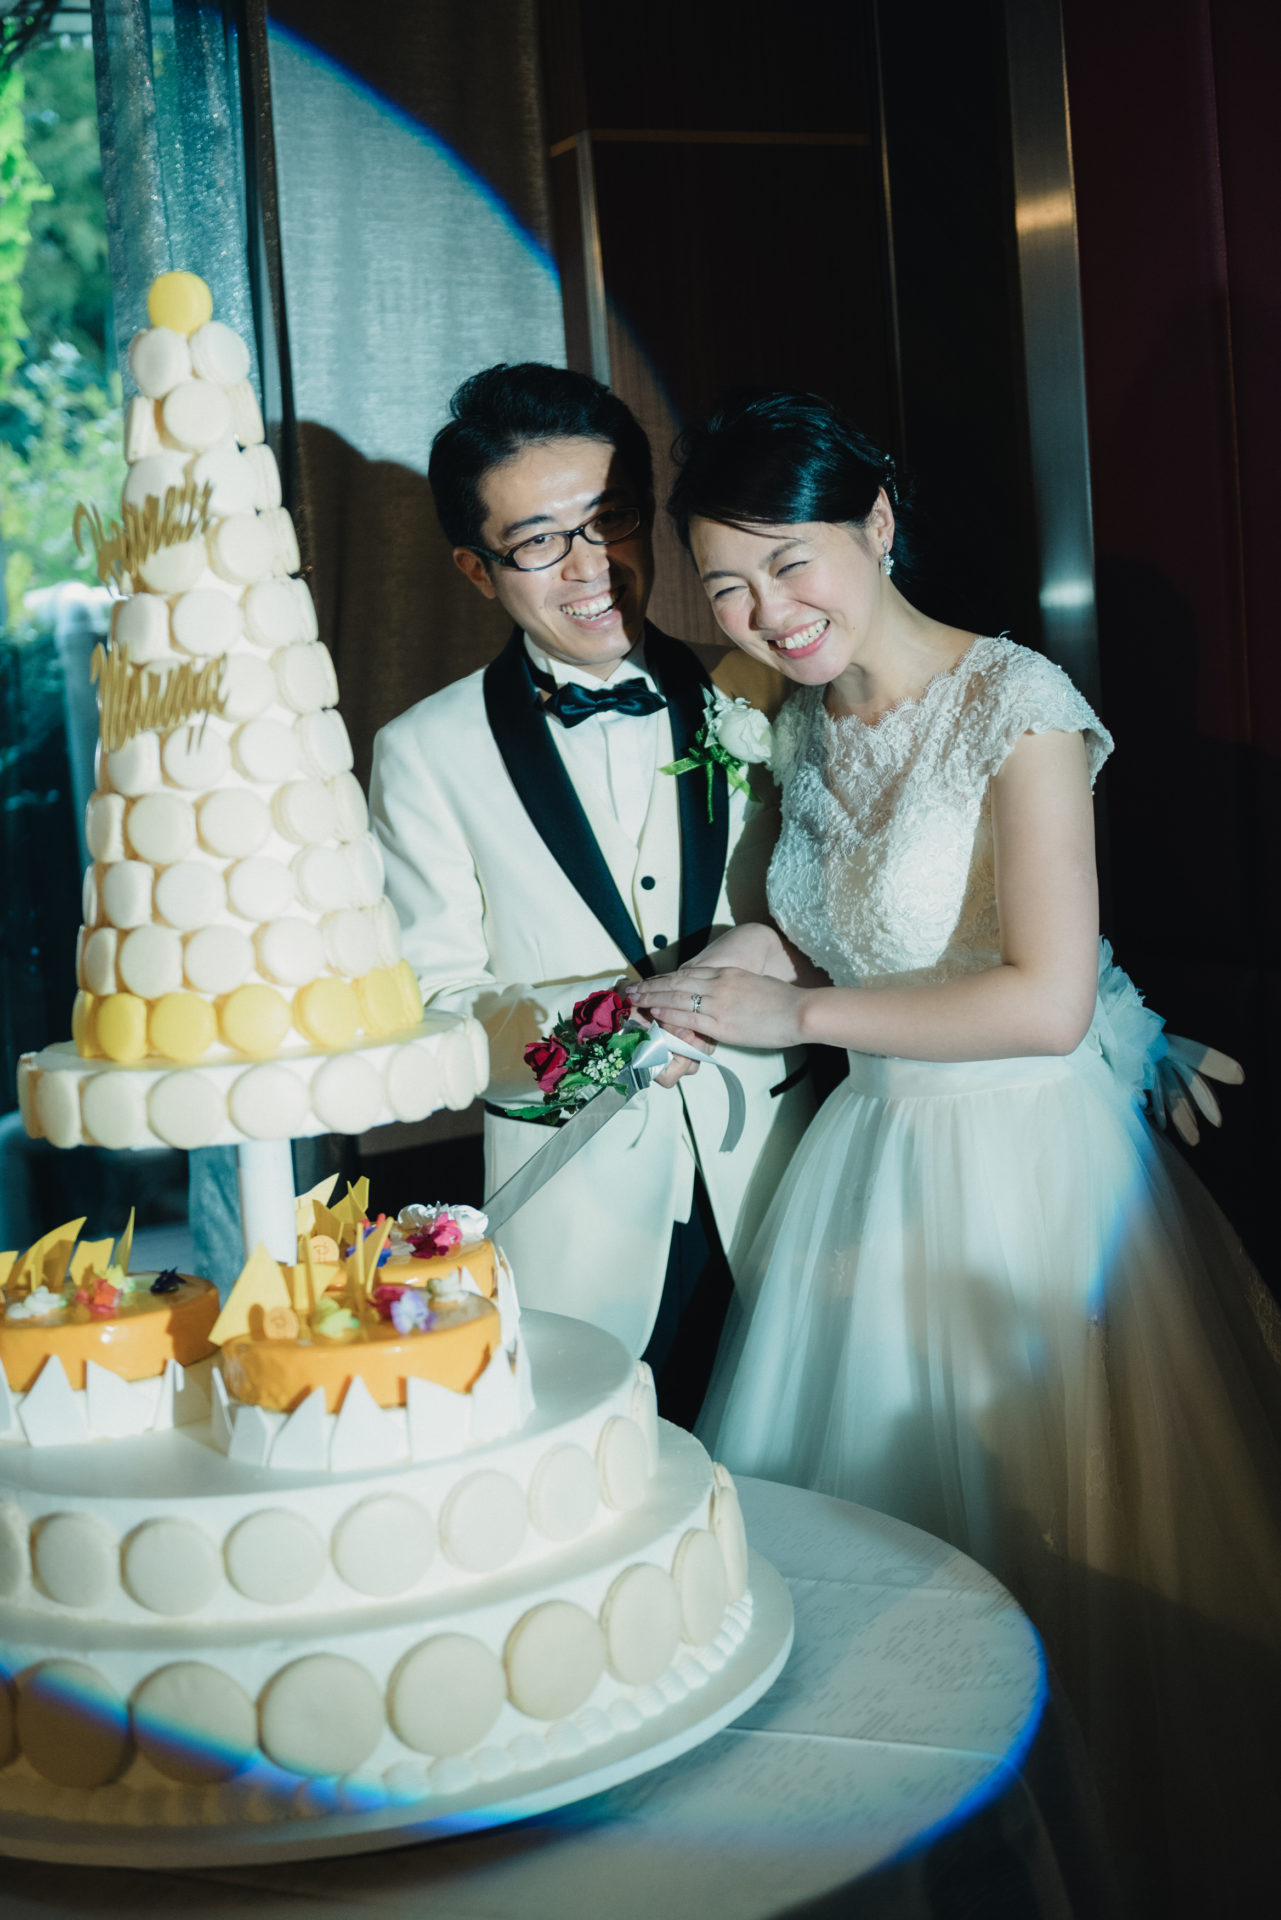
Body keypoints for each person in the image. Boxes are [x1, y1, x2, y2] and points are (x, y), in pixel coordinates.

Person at [633, 389, 1281, 1916]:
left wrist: (792, 1013)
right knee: (870, 1567)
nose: (763, 611)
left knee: (1055, 1546)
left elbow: (1046, 1001)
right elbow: (830, 924)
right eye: (725, 584)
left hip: (1021, 1175)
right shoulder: (795, 716)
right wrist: (719, 974)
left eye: (787, 561)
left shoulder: (1019, 704)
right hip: (869, 1160)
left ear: (875, 521)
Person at [369, 365, 814, 1427]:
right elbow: (433, 1003)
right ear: (478, 571)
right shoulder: (422, 752)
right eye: (538, 542)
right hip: (578, 1222)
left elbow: (842, 908)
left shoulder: (762, 688)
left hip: (788, 1184)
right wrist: (605, 1024)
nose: (590, 567)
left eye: (609, 520)